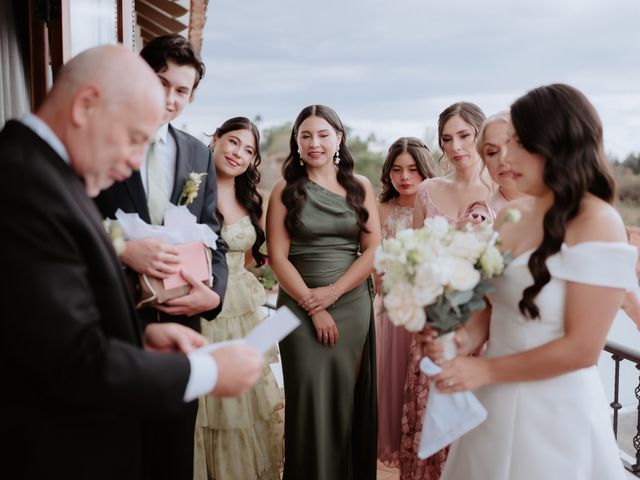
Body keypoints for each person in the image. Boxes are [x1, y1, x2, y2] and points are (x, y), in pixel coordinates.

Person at [0, 45, 263, 480]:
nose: (132, 163)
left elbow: (47, 324)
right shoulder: (24, 183)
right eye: (134, 138)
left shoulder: (46, 174)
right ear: (86, 105)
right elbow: (74, 364)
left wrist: (139, 338)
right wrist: (207, 369)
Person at [424, 84, 636, 480]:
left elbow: (582, 349)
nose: (507, 156)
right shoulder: (512, 216)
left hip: (556, 414)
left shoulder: (598, 221)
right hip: (493, 406)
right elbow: (488, 309)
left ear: (554, 143)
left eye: (518, 142)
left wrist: (485, 372)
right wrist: (457, 342)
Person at [94, 34, 227, 480]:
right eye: (160, 81)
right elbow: (73, 220)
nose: (168, 98)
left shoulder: (196, 154)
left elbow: (215, 237)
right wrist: (124, 250)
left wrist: (214, 297)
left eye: (181, 91)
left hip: (182, 327)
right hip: (111, 324)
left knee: (172, 457)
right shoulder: (101, 137)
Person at [266, 104, 381, 480]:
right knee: (308, 400)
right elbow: (278, 258)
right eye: (305, 135)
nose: (314, 143)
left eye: (322, 134)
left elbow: (373, 249)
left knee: (344, 400)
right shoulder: (285, 189)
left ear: (339, 138)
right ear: (296, 142)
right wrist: (314, 306)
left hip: (350, 303)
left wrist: (333, 293)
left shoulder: (359, 186)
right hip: (298, 306)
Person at [401, 102, 489, 480]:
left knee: (476, 439)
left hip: (485, 330)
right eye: (447, 139)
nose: (456, 147)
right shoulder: (427, 191)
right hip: (435, 325)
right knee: (431, 427)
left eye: (464, 136)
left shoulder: (501, 191)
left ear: (481, 135)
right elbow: (412, 260)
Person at [193, 117, 284, 480]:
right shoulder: (191, 188)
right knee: (205, 400)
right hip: (200, 303)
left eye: (248, 151)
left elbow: (247, 258)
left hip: (242, 309)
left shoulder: (251, 199)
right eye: (233, 142)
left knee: (241, 402)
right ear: (215, 139)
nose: (238, 154)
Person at [376, 137, 436, 467]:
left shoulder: (435, 206)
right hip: (389, 312)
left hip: (426, 310)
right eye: (397, 170)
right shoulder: (381, 208)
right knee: (390, 386)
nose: (405, 177)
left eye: (413, 169)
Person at [475, 111, 527, 215]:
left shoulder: (564, 200)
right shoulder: (480, 218)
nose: (503, 159)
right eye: (492, 152)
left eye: (512, 146)